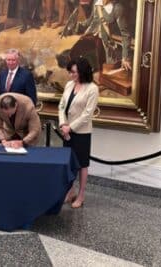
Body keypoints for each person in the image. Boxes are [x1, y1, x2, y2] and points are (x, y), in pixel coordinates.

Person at [58, 57, 99, 209]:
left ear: (82, 72)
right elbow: (62, 105)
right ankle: (70, 192)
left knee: (81, 165)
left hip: (81, 132)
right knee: (69, 162)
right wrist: (63, 123)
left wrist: (71, 127)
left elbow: (87, 114)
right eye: (70, 72)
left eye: (74, 72)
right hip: (66, 130)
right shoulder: (69, 84)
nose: (71, 75)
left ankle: (81, 195)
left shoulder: (92, 89)